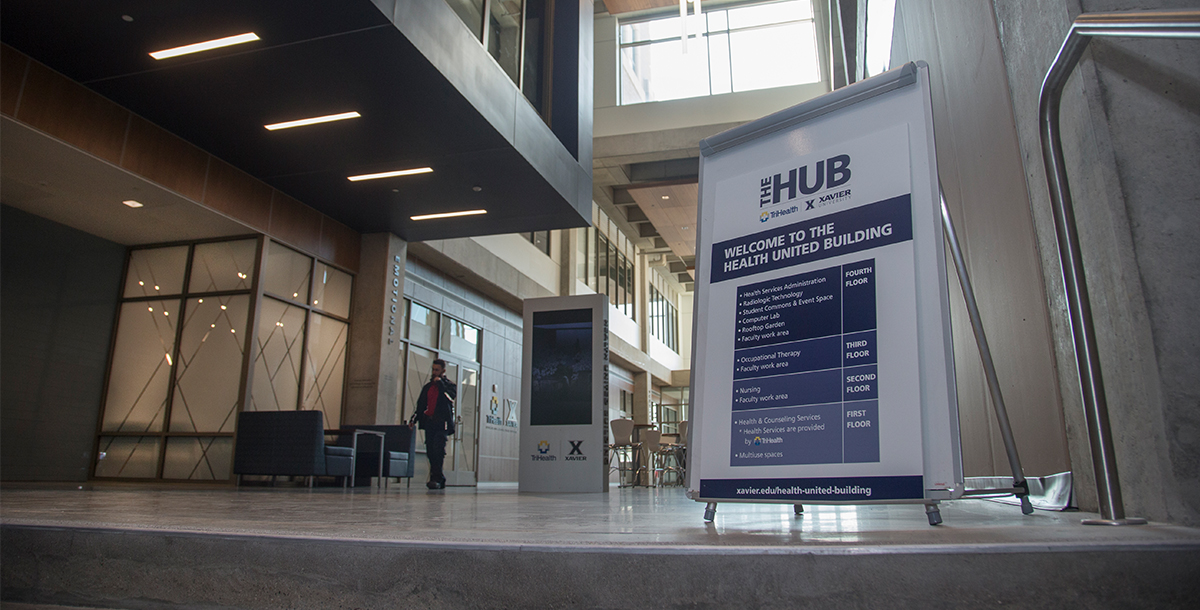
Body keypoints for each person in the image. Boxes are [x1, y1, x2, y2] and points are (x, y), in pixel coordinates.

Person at [410, 359, 456, 489]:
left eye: (437, 370)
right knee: (430, 451)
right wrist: (414, 419)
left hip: (442, 423)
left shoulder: (449, 386)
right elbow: (421, 405)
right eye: (433, 369)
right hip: (430, 422)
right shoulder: (427, 387)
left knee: (438, 449)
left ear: (443, 371)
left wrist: (441, 384)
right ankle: (437, 477)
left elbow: (450, 397)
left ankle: (437, 478)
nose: (434, 372)